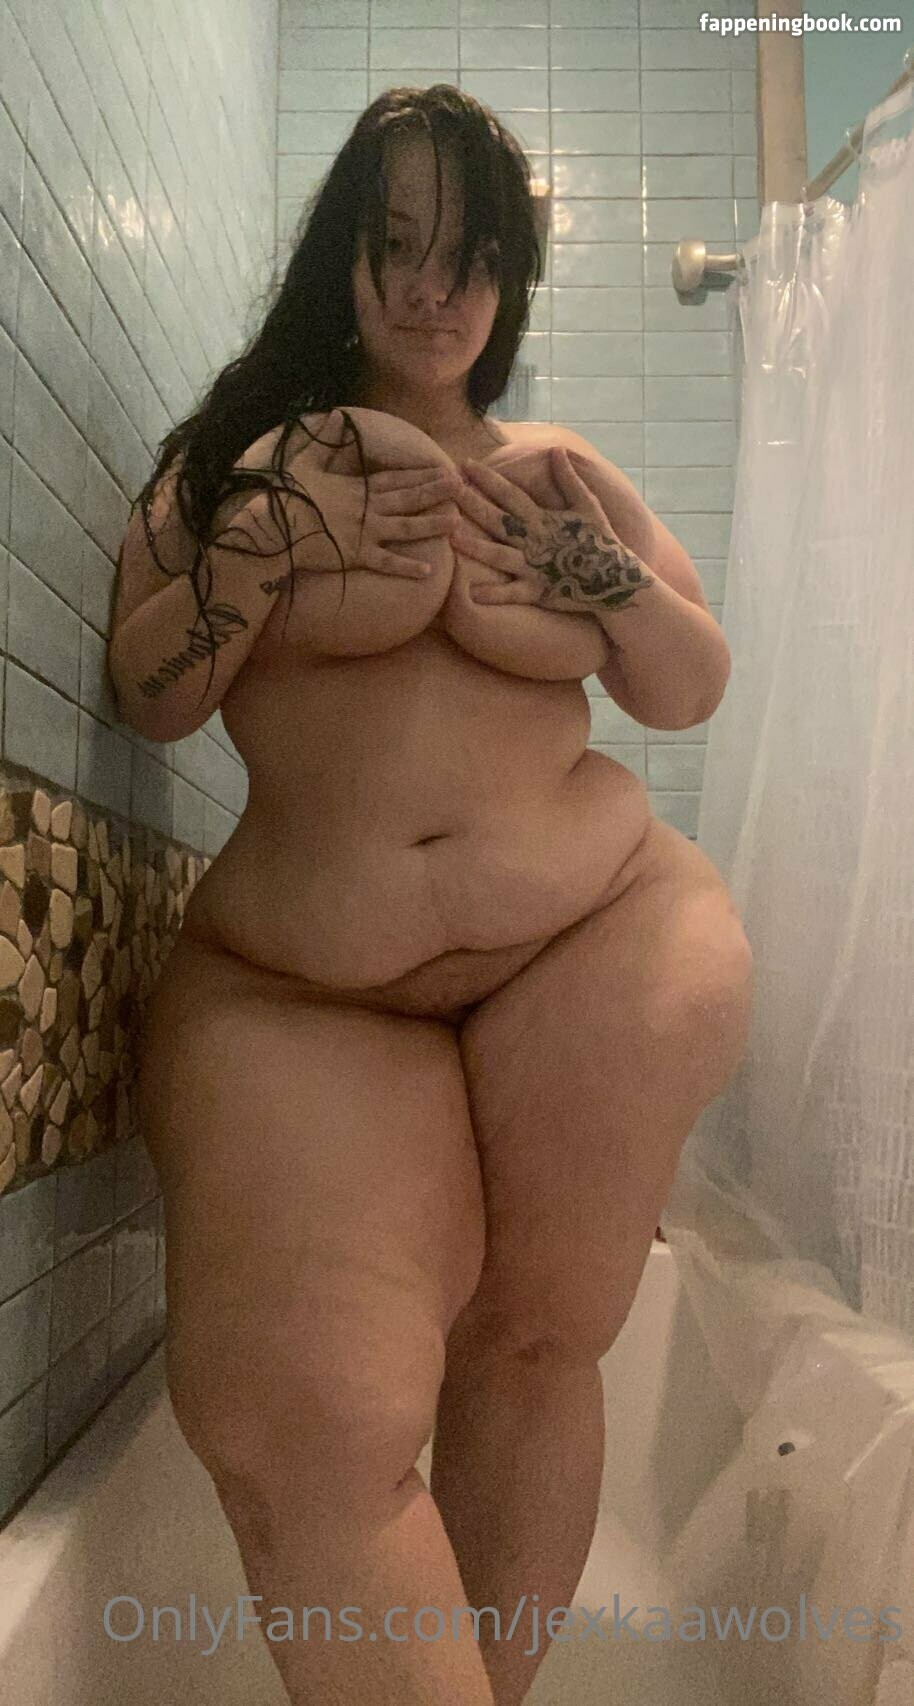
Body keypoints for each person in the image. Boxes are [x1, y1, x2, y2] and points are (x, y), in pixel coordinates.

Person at [109, 85, 754, 1706]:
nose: (429, 287)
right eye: (394, 243)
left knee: (536, 1342)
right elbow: (149, 694)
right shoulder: (231, 464)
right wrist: (261, 551)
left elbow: (688, 682)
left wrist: (602, 579)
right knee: (303, 1418)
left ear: (509, 276)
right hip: (315, 990)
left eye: (467, 254)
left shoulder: (556, 473)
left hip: (582, 940)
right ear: (338, 256)